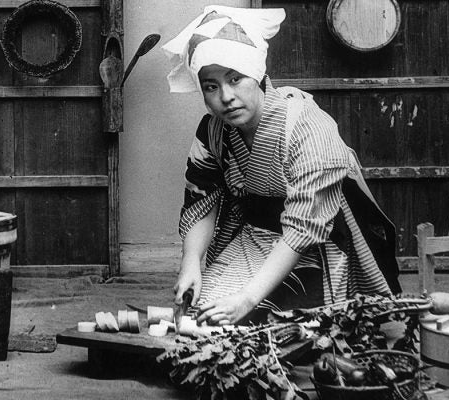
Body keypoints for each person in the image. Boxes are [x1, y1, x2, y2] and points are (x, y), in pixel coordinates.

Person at [161, 6, 401, 326]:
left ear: (257, 72)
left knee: (282, 322)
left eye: (235, 78)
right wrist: (190, 262)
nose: (226, 97)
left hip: (320, 243)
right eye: (211, 86)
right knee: (207, 315)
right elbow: (201, 201)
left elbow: (304, 229)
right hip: (255, 236)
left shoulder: (307, 126)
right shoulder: (214, 131)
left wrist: (247, 298)